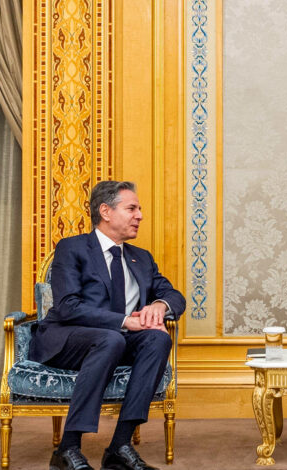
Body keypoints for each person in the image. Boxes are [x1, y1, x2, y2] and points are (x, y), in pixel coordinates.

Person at [30, 181, 185, 470]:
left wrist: (159, 306)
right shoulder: (73, 248)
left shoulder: (141, 258)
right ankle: (67, 449)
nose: (140, 215)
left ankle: (119, 447)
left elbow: (174, 295)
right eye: (132, 208)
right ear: (106, 211)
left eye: (139, 209)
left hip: (117, 342)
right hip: (69, 341)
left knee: (158, 339)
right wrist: (125, 321)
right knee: (111, 339)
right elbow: (67, 306)